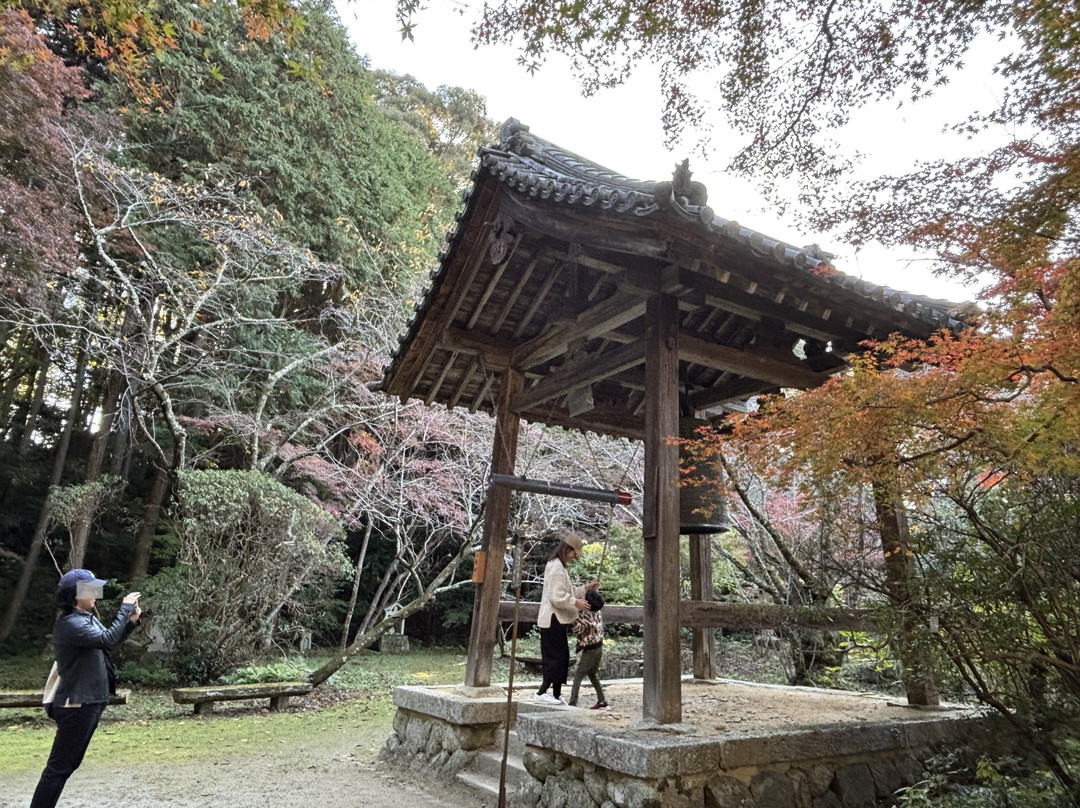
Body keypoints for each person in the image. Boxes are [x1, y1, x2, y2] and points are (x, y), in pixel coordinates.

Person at [30, 569, 141, 808]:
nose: (94, 594)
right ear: (74, 594)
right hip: (76, 703)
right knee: (58, 768)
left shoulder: (85, 619)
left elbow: (107, 643)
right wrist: (123, 609)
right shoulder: (71, 624)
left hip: (89, 701)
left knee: (67, 766)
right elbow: (107, 640)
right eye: (88, 588)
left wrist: (130, 623)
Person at [534, 533, 589, 706]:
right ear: (567, 549)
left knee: (562, 657)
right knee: (555, 658)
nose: (574, 557)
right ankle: (542, 693)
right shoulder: (556, 567)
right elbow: (557, 597)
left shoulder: (557, 566)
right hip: (553, 618)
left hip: (556, 619)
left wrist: (586, 588)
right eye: (574, 553)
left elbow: (569, 590)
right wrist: (575, 602)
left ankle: (556, 695)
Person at [568, 582, 608, 709]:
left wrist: (574, 611)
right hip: (599, 647)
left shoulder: (584, 617)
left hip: (590, 649)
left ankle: (573, 702)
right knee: (592, 674)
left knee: (579, 675)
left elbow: (577, 629)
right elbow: (594, 601)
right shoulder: (598, 613)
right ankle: (602, 701)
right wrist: (594, 591)